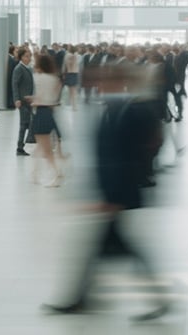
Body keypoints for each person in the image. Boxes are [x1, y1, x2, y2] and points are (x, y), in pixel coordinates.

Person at [43, 63, 167, 321]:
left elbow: (131, 155)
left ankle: (158, 299)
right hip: (111, 195)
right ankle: (80, 298)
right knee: (100, 251)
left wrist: (113, 197)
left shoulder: (131, 110)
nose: (98, 85)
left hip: (118, 196)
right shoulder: (111, 109)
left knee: (119, 251)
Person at [27, 54, 63, 187]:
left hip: (40, 113)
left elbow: (39, 97)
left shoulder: (39, 78)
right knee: (40, 146)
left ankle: (57, 174)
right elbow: (53, 98)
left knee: (45, 149)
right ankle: (35, 174)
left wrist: (33, 100)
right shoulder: (55, 79)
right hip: (49, 113)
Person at [12, 47, 35, 156]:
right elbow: (15, 84)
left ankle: (23, 144)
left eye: (30, 56)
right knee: (24, 124)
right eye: (26, 56)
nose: (29, 58)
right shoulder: (19, 69)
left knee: (27, 123)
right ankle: (20, 147)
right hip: (22, 100)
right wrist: (16, 99)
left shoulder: (28, 68)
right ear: (21, 57)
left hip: (29, 100)